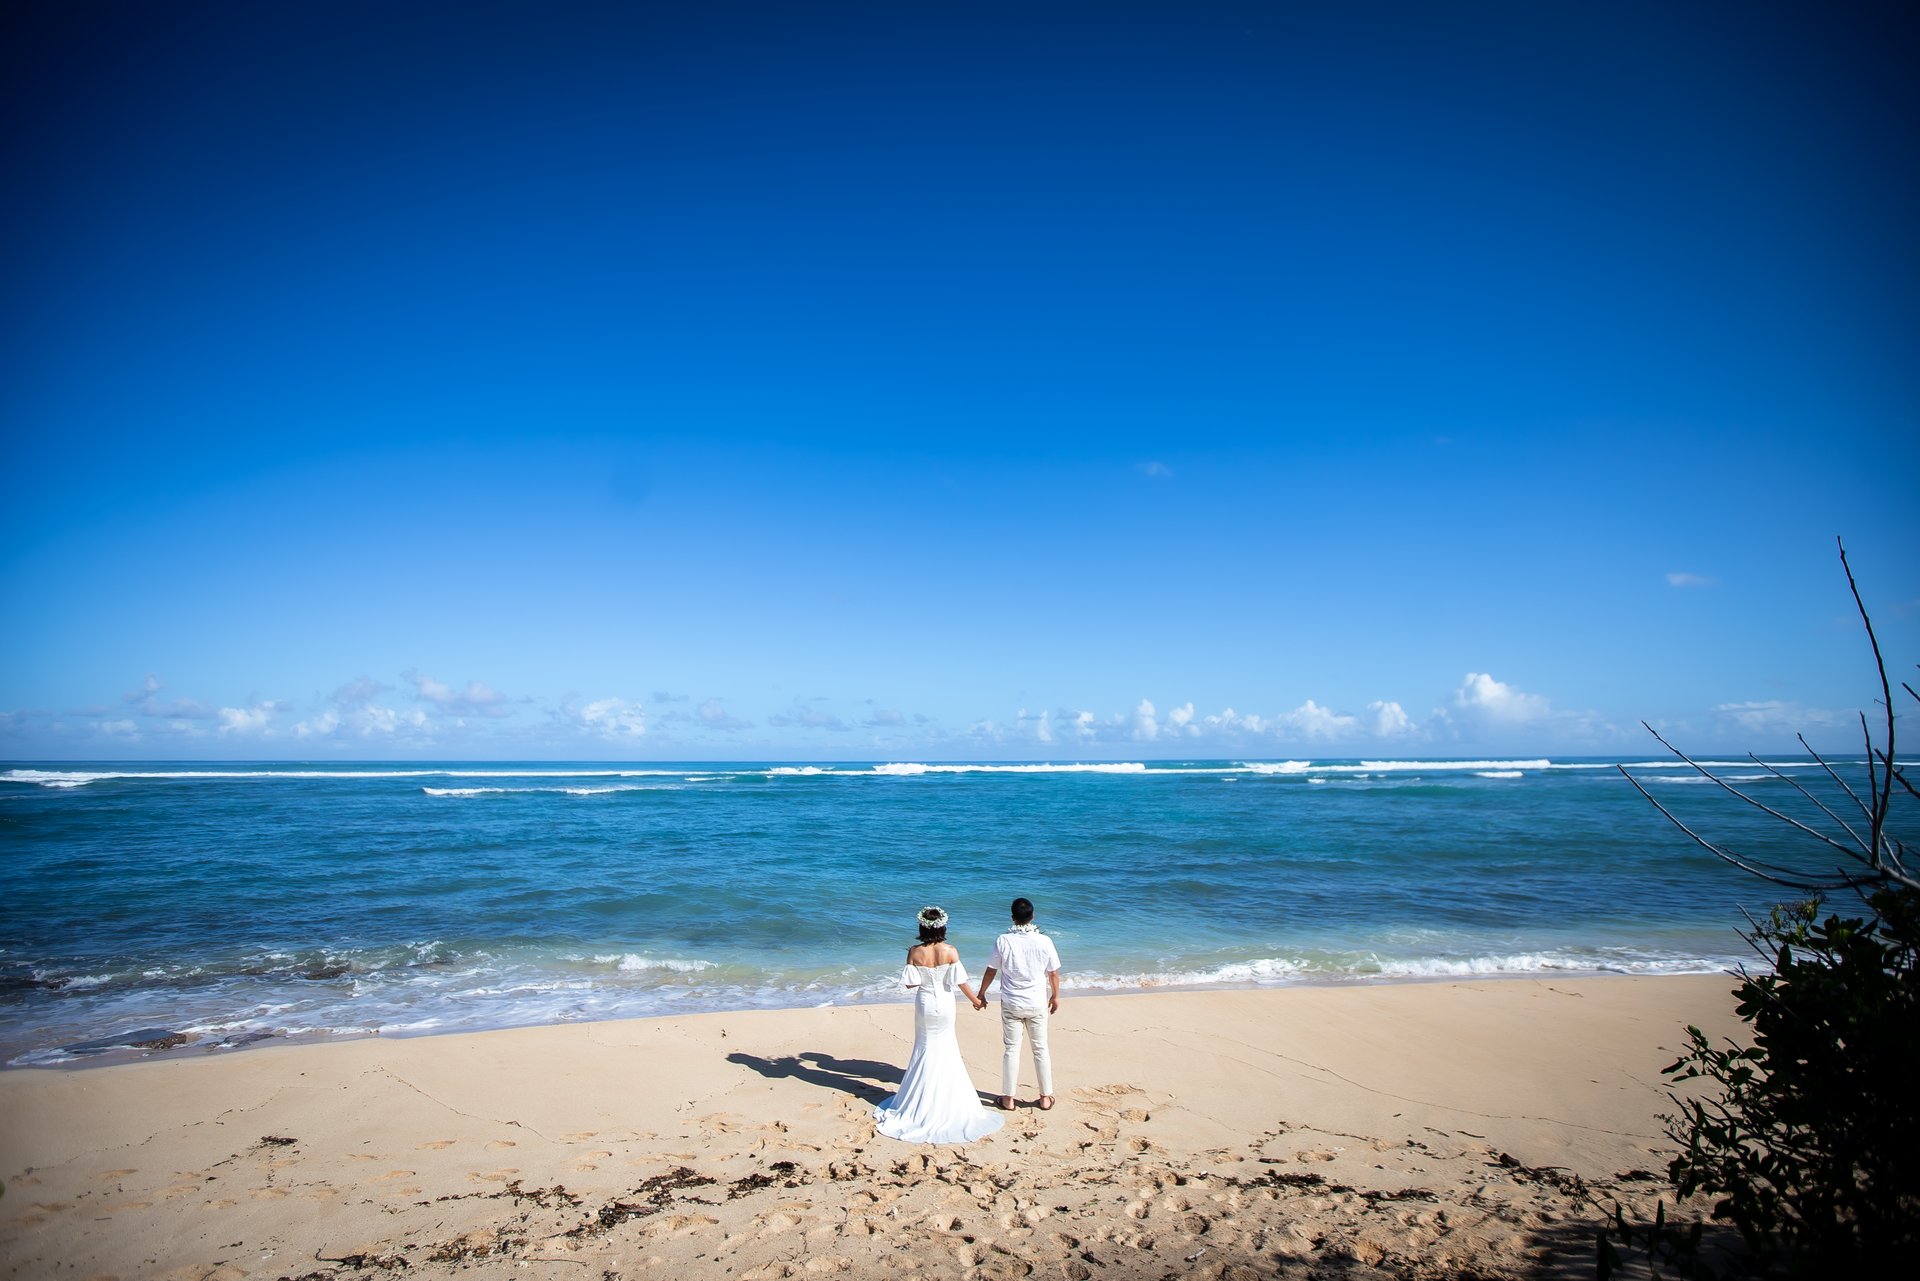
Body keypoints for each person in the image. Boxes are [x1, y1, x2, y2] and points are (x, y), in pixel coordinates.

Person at [872, 906, 1005, 1144]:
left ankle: (920, 1099)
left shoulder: (914, 952)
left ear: (922, 926)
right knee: (947, 1047)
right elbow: (960, 982)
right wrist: (976, 1000)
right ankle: (947, 1098)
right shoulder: (950, 951)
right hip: (944, 1004)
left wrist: (925, 973)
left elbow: (910, 984)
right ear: (943, 926)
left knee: (924, 1047)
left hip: (924, 1004)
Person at [975, 896, 1062, 1111]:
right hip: (1036, 1002)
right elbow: (1053, 973)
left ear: (1013, 918)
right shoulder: (1044, 941)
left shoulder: (1003, 940)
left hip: (1011, 1002)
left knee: (1011, 1050)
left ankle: (1008, 1098)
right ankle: (1045, 1097)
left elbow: (991, 970)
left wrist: (982, 993)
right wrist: (1055, 996)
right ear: (1033, 917)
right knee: (1040, 1049)